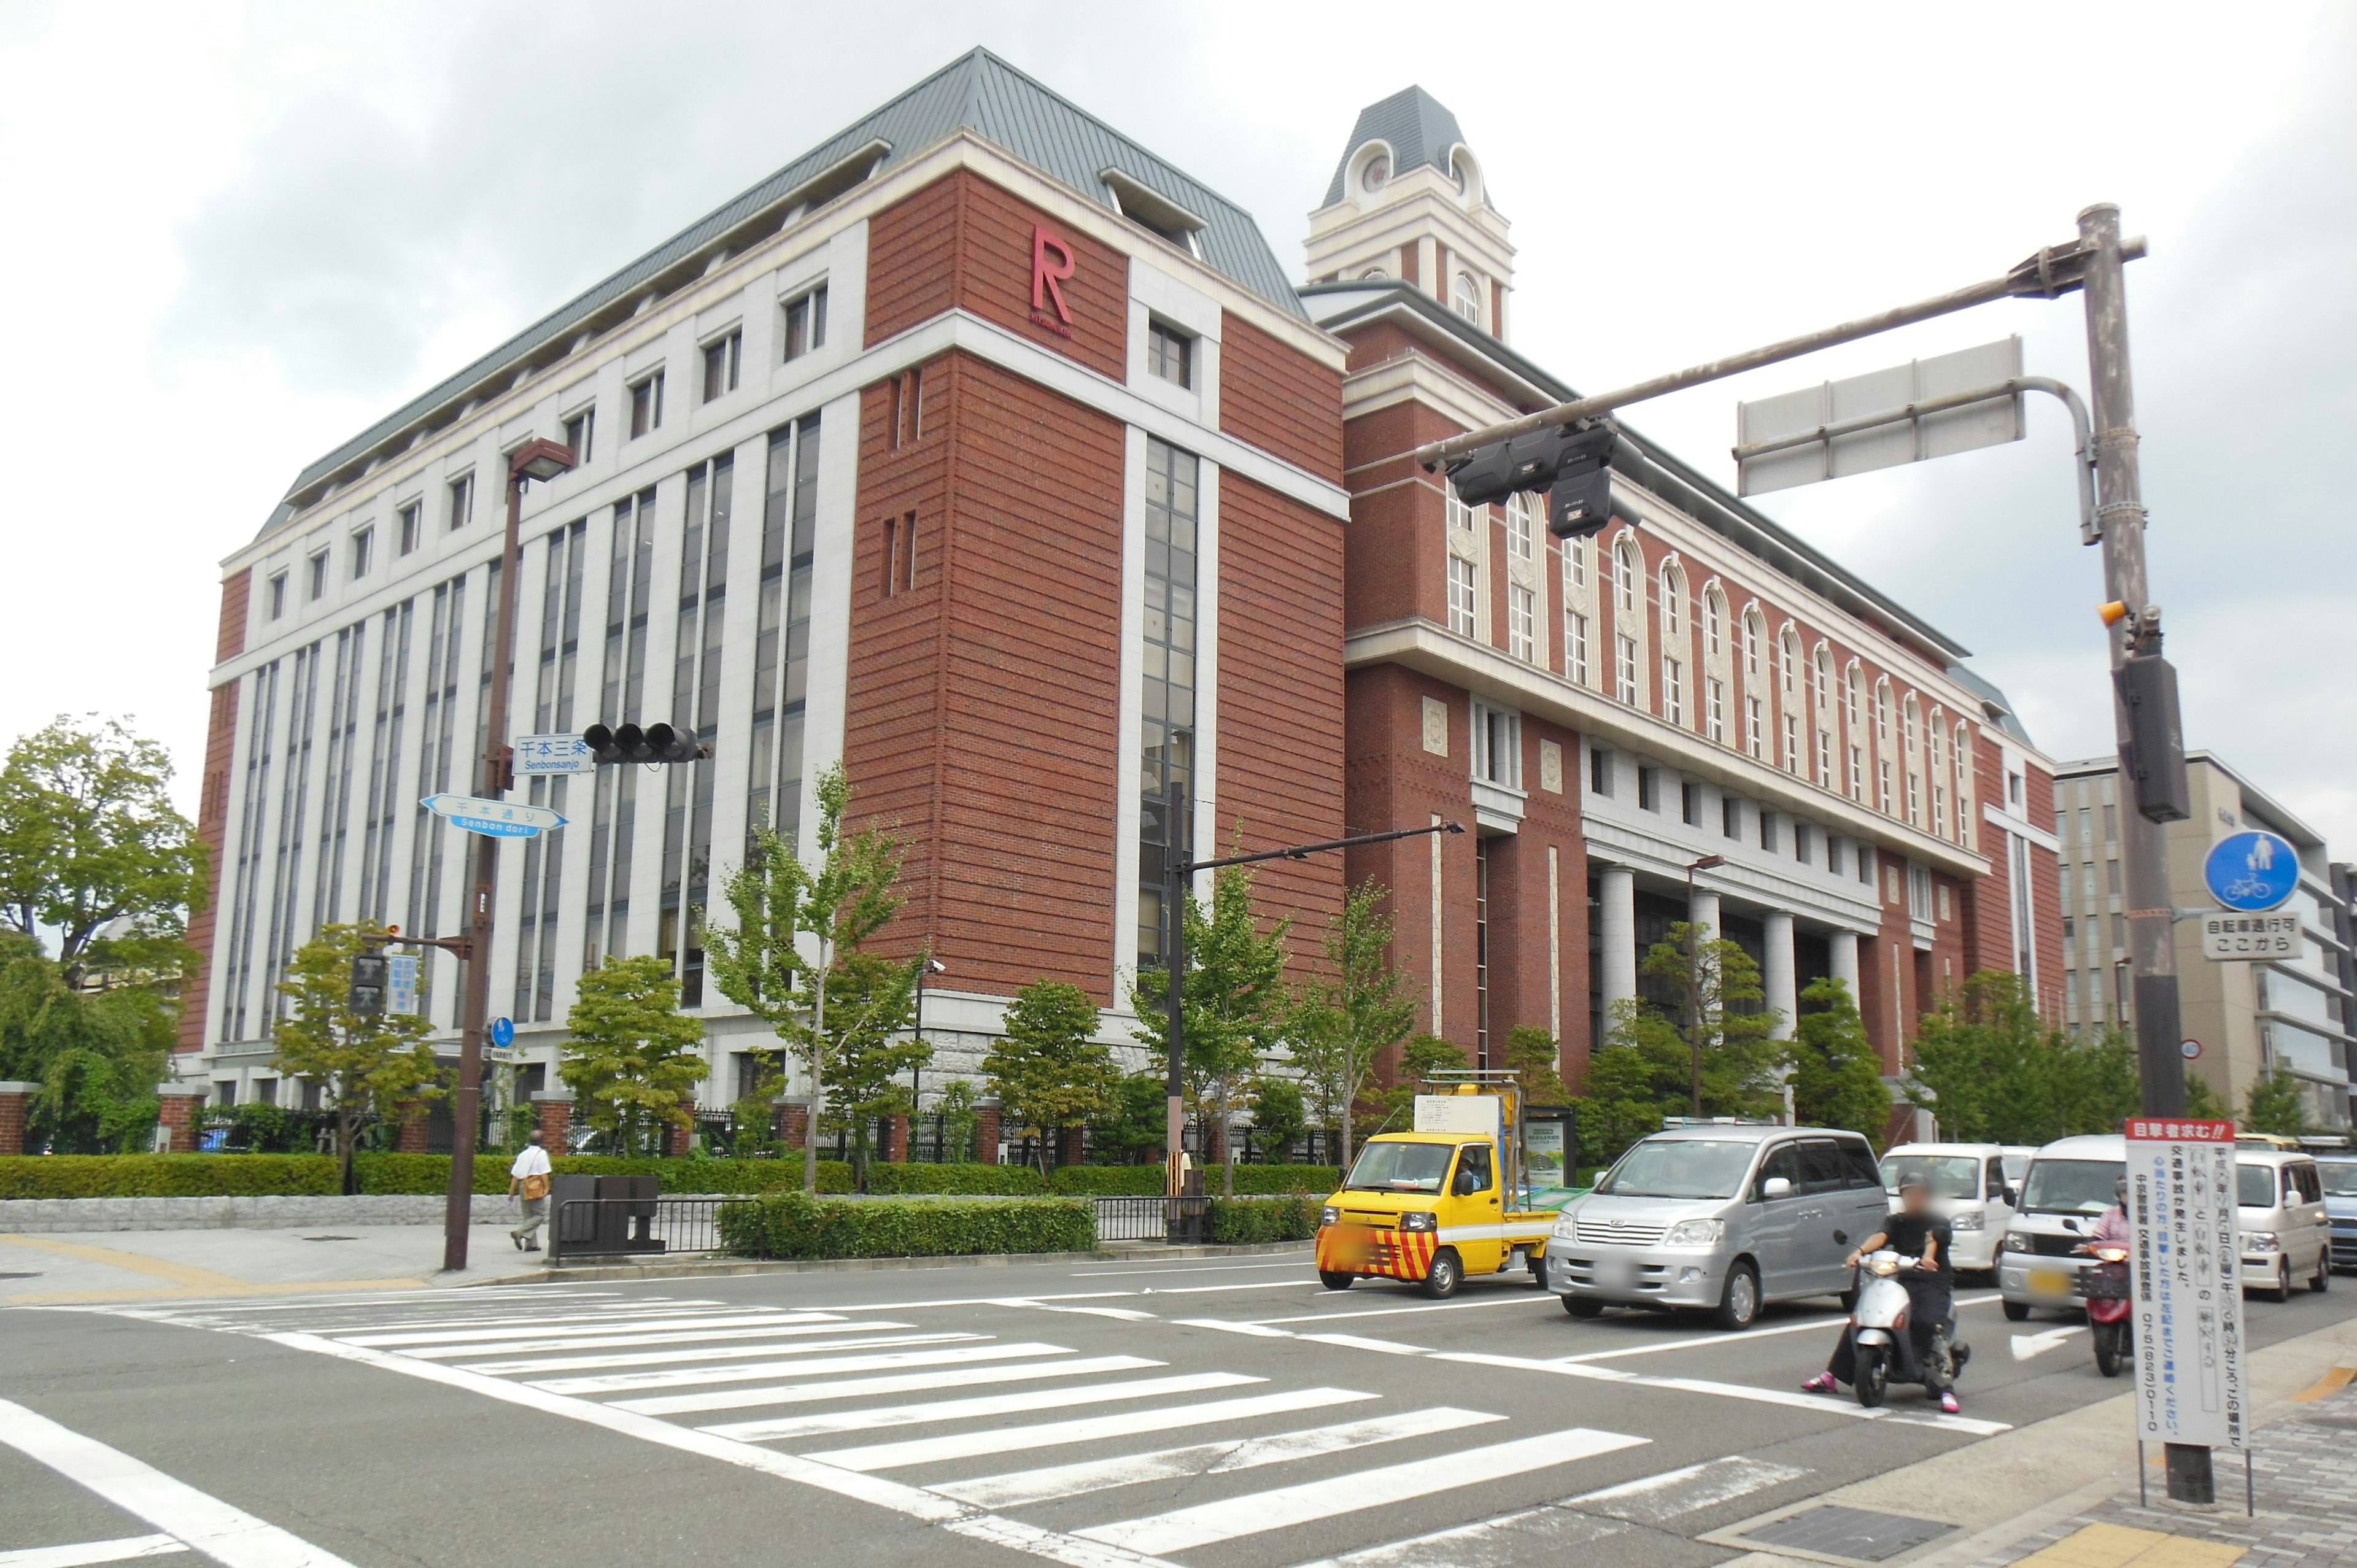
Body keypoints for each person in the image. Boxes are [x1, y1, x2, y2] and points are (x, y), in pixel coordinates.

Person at [1803, 1172, 1964, 1413]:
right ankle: (1832, 1376)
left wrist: (1928, 1257)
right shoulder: (1896, 1221)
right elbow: (1881, 1236)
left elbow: (1933, 1239)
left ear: (1927, 1196)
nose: (1914, 1198)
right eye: (1909, 1194)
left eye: (1919, 1193)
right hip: (1902, 1278)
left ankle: (1945, 1389)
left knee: (1926, 1321)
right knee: (1863, 1316)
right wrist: (1859, 1253)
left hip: (1933, 1282)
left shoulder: (1937, 1221)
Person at [508, 1130, 553, 1252]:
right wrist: (547, 1188)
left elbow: (515, 1175)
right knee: (540, 1215)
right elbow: (544, 1173)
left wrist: (511, 1192)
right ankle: (520, 1232)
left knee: (528, 1216)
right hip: (535, 1186)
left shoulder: (523, 1155)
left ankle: (531, 1245)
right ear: (542, 1141)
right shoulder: (541, 1154)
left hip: (523, 1185)